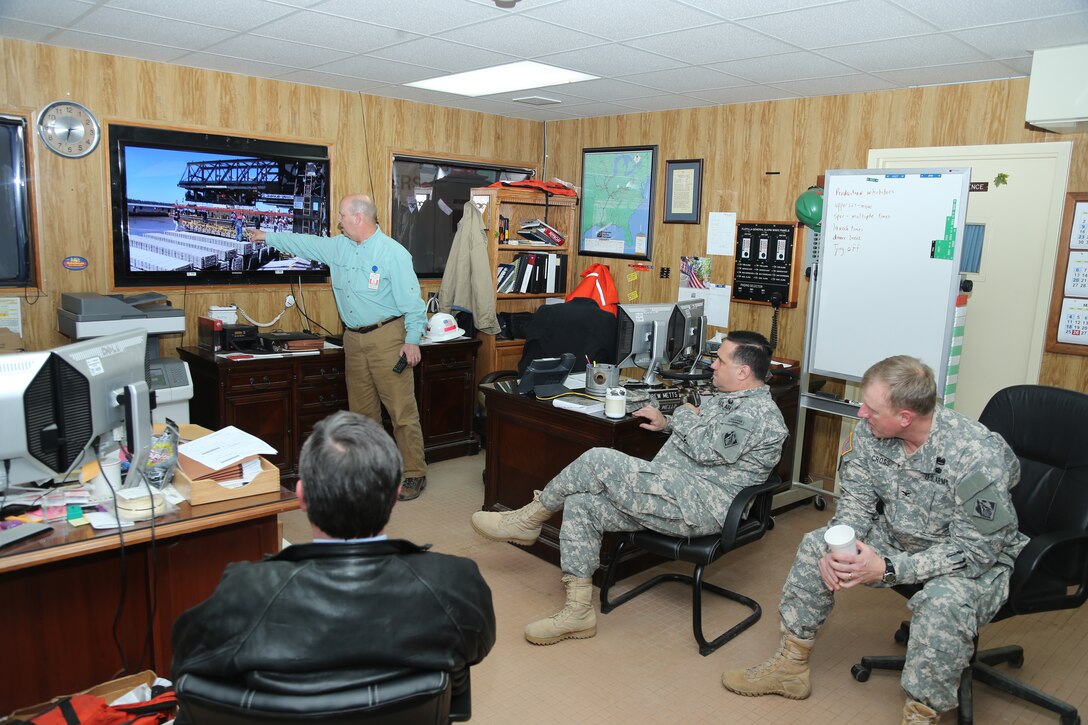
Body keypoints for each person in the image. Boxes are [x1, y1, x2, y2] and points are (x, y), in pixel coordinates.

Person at [721, 355, 1026, 725]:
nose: (861, 413)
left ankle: (921, 714)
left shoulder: (975, 455)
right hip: (900, 536)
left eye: (872, 408)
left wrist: (889, 568)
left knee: (944, 603)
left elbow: (977, 551)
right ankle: (790, 667)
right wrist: (840, 549)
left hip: (971, 559)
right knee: (816, 545)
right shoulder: (870, 432)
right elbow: (856, 505)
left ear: (906, 417)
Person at [471, 330, 787, 645]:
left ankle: (528, 519)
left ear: (743, 371)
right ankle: (578, 612)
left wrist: (680, 414)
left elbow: (708, 449)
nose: (713, 365)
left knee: (598, 459)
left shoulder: (757, 414)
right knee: (583, 505)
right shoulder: (731, 399)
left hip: (701, 506)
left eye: (720, 360)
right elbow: (703, 436)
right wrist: (674, 420)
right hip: (671, 492)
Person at [172, 411, 495, 696]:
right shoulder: (456, 582)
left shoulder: (242, 591)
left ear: (301, 496)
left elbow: (187, 664)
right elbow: (472, 651)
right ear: (396, 493)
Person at [251, 194, 429, 501]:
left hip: (388, 337)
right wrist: (267, 235)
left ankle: (413, 473)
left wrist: (412, 339)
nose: (339, 221)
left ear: (358, 217)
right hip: (352, 339)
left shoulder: (393, 254)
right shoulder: (338, 247)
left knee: (400, 411)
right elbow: (303, 243)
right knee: (362, 415)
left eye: (342, 216)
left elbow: (413, 304)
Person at [517, 296, 617, 375]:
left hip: (541, 380)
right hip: (588, 382)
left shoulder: (546, 311)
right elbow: (612, 361)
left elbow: (529, 351)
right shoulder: (606, 319)